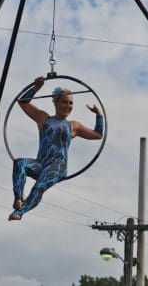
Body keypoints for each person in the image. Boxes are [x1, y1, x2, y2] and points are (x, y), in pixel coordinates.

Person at [8, 76, 104, 221]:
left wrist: (99, 115)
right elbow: (22, 102)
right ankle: (19, 198)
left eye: (71, 103)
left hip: (57, 167)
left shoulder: (73, 126)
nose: (68, 106)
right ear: (56, 102)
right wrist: (36, 88)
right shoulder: (43, 118)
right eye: (64, 102)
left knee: (39, 186)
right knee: (19, 163)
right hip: (41, 164)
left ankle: (20, 212)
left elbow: (98, 135)